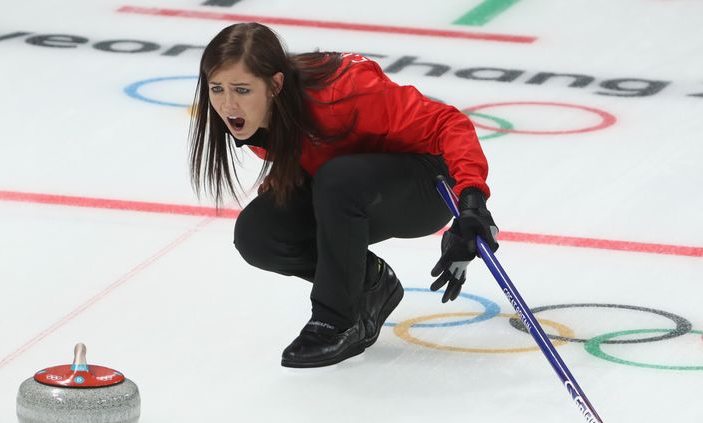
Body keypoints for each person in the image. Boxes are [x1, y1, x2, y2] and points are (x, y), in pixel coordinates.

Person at [188, 23, 499, 368]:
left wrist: (471, 203)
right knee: (259, 233)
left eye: (242, 90)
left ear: (275, 84)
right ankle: (372, 283)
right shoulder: (260, 115)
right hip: (351, 187)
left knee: (338, 179)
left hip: (426, 184)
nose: (228, 104)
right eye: (216, 88)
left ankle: (336, 320)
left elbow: (448, 124)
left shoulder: (346, 92)